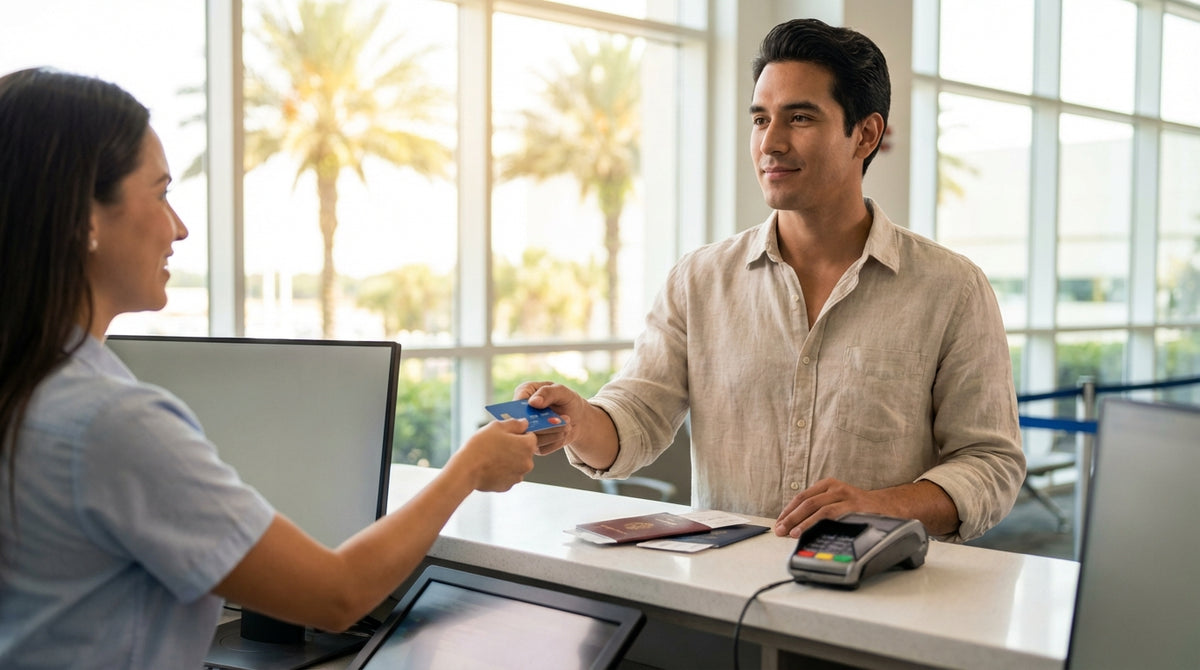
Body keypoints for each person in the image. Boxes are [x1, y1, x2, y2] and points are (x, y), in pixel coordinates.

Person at [0, 67, 538, 669]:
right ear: (85, 219)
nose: (179, 227)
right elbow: (335, 595)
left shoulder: (30, 389)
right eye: (159, 193)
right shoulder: (109, 423)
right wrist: (468, 469)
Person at [517, 18, 1025, 544]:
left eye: (800, 117)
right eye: (760, 120)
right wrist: (578, 421)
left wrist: (878, 506)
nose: (771, 143)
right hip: (723, 601)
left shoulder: (953, 289)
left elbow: (990, 464)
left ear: (866, 134)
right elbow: (637, 418)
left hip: (880, 599)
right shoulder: (700, 279)